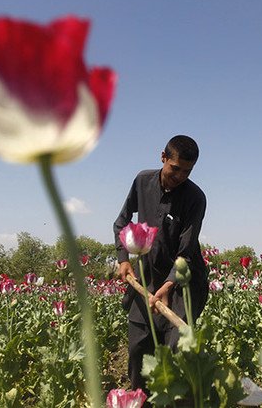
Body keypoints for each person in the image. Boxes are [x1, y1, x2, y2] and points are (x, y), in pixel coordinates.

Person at [113, 135, 208, 391]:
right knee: (138, 350)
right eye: (175, 168)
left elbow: (185, 252)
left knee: (174, 353)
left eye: (187, 171)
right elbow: (121, 222)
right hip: (146, 277)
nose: (180, 176)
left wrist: (168, 285)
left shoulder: (195, 198)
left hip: (182, 282)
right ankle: (137, 400)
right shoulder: (143, 181)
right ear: (163, 157)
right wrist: (123, 259)